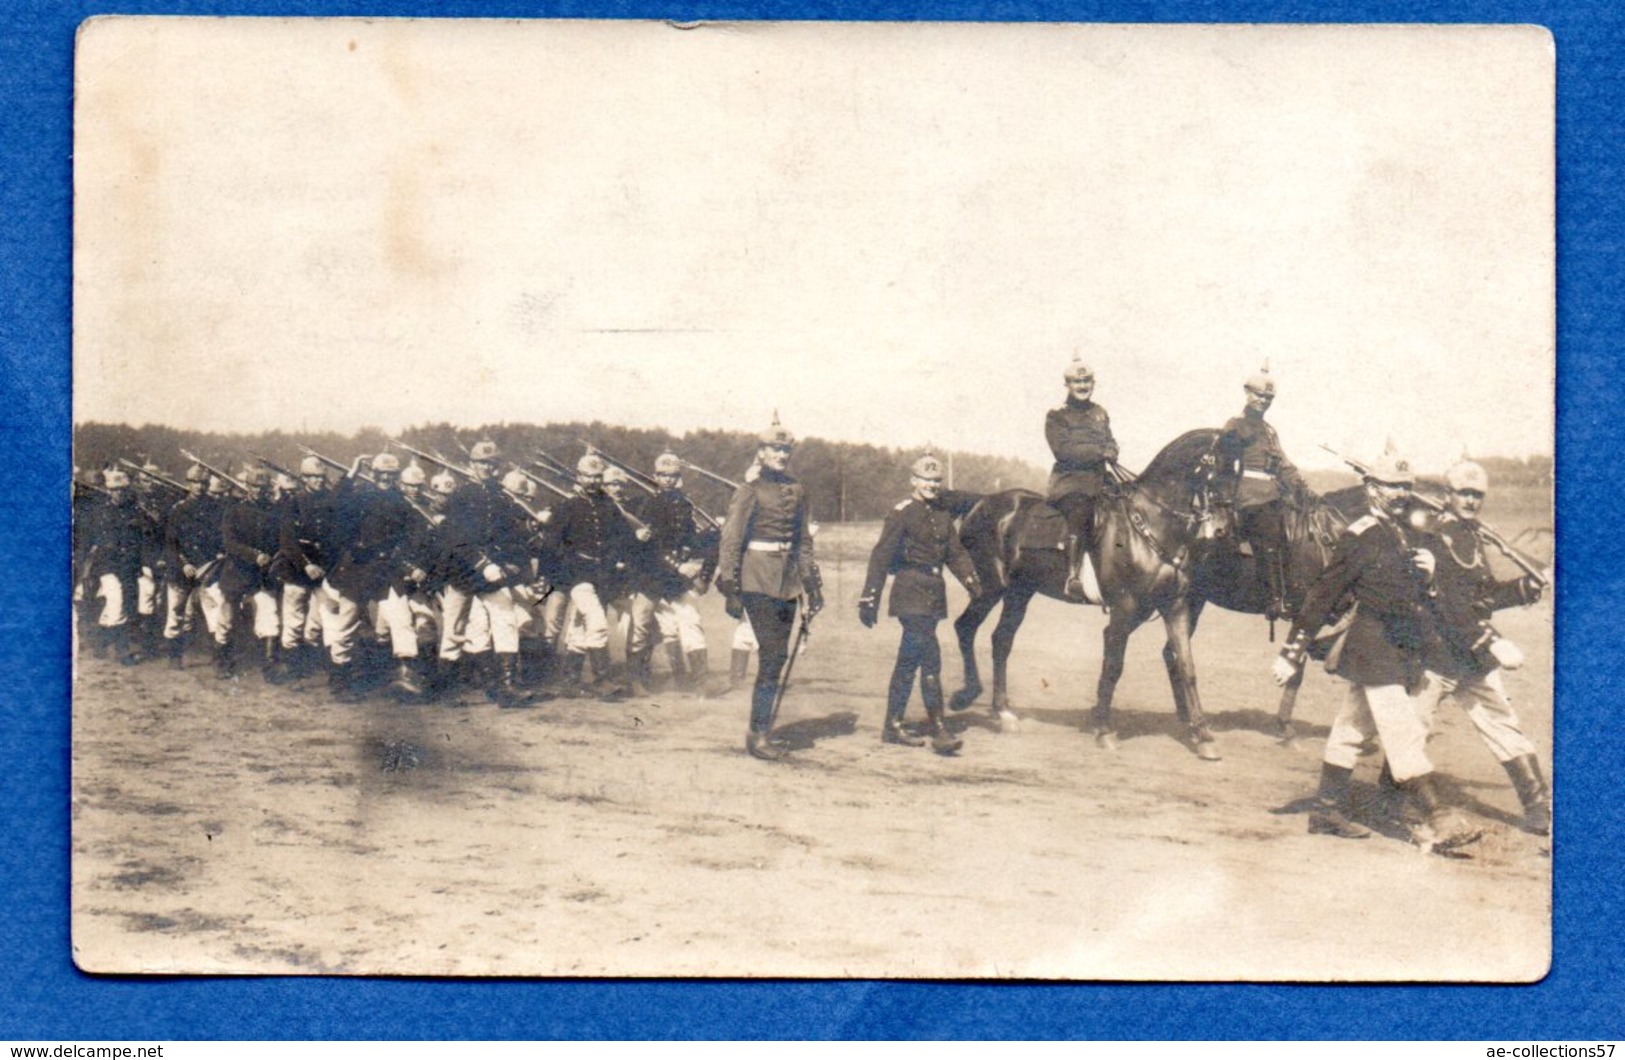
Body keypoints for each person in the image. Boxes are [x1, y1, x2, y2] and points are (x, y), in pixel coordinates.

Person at [1272, 448, 1480, 853]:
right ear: (1371, 488)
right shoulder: (1361, 536)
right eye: (1392, 485)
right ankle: (1438, 820)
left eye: (1406, 486)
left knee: (1351, 730)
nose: (1401, 493)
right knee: (1402, 733)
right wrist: (1291, 651)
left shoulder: (1406, 534)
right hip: (1373, 649)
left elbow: (1415, 593)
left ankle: (1326, 811)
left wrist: (1431, 575)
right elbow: (1321, 596)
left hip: (1399, 651)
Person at [1412, 460, 1550, 834]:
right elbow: (1447, 602)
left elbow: (1481, 597)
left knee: (1503, 723)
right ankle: (1393, 797)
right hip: (1437, 652)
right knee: (1412, 728)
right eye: (1464, 493)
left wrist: (1525, 587)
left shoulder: (1472, 535)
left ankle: (1538, 806)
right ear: (1448, 495)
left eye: (1477, 495)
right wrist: (1492, 641)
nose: (1471, 500)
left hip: (1470, 656)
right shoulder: (1434, 536)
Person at [715, 414, 822, 760]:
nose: (781, 454)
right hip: (756, 579)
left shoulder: (797, 490)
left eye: (785, 449)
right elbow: (731, 540)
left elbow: (803, 541)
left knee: (776, 659)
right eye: (774, 448)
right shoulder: (748, 491)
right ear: (760, 453)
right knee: (773, 654)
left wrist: (811, 584)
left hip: (788, 583)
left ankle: (761, 730)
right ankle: (757, 734)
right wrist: (731, 587)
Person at [858, 453, 982, 753]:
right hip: (909, 591)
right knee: (930, 656)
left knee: (909, 658)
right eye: (927, 480)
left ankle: (893, 724)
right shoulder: (903, 513)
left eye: (937, 480)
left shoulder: (941, 515)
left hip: (933, 593)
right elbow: (881, 555)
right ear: (914, 481)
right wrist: (869, 596)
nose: (932, 485)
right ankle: (939, 728)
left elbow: (955, 552)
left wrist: (970, 579)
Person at [438, 440, 536, 707]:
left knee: (505, 617)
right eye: (481, 463)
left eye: (492, 464)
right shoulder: (461, 496)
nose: (486, 468)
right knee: (455, 628)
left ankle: (506, 685)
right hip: (461, 569)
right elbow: (456, 538)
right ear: (471, 464)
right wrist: (483, 564)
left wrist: (512, 563)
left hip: (491, 573)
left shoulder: (501, 497)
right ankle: (447, 688)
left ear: (498, 467)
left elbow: (511, 535)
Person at [1217, 363, 1311, 619]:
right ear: (1247, 393)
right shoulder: (1236, 426)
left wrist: (1300, 484)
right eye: (1259, 395)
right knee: (1269, 532)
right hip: (1248, 497)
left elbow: (1282, 463)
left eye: (1268, 398)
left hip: (1273, 495)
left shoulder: (1269, 431)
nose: (1263, 401)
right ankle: (1274, 599)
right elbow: (1224, 465)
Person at [550, 452, 645, 698]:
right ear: (578, 477)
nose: (593, 482)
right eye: (587, 477)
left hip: (603, 574)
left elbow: (622, 535)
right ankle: (602, 680)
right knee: (597, 622)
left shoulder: (608, 505)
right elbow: (553, 544)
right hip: (578, 575)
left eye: (597, 477)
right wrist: (565, 572)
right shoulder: (567, 506)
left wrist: (627, 548)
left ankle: (570, 681)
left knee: (581, 628)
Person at [629, 452, 719, 695]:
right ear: (655, 476)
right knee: (641, 624)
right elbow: (650, 545)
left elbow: (688, 538)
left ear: (679, 478)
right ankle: (636, 679)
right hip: (652, 572)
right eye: (663, 476)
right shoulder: (648, 503)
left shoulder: (684, 504)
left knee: (690, 619)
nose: (668, 480)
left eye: (673, 476)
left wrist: (707, 540)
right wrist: (677, 565)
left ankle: (700, 680)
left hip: (675, 575)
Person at [1045, 356, 1118, 601]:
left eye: (1087, 381)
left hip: (1101, 481)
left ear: (1093, 384)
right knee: (1080, 512)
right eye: (1077, 382)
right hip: (1070, 483)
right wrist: (1099, 452)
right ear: (1068, 385)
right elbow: (1063, 451)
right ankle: (1073, 577)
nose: (1083, 386)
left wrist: (1112, 449)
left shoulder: (1100, 413)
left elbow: (1110, 440)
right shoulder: (1057, 416)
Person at [83, 468, 160, 665]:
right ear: (108, 491)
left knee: (125, 604)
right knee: (117, 601)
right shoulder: (101, 513)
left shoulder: (135, 511)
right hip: (107, 566)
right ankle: (121, 650)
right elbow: (96, 541)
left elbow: (148, 532)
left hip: (129, 566)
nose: (118, 493)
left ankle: (101, 640)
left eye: (122, 490)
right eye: (114, 490)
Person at [272, 456, 335, 682]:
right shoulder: (293, 503)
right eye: (313, 477)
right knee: (294, 619)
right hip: (297, 568)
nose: (318, 481)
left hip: (322, 569)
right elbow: (287, 541)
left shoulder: (329, 500)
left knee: (320, 618)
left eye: (321, 477)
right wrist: (306, 565)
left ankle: (311, 660)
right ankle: (290, 666)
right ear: (304, 478)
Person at [217, 466, 282, 679]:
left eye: (263, 488)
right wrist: (254, 555)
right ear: (247, 486)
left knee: (269, 614)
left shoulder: (274, 512)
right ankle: (224, 661)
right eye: (255, 486)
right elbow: (229, 543)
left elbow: (280, 541)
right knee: (227, 620)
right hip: (237, 573)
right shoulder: (234, 511)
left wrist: (273, 558)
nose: (259, 491)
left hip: (263, 576)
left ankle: (269, 665)